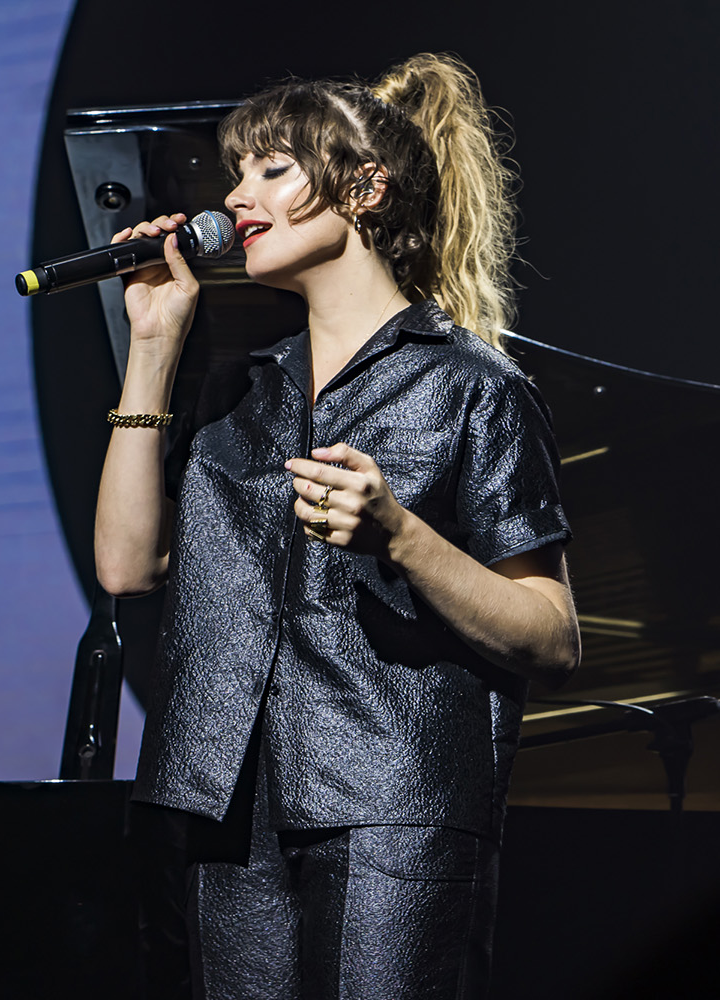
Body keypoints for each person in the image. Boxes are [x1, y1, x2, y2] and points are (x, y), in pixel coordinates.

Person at [93, 55, 579, 999]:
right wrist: (153, 346)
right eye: (236, 174)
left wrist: (402, 535)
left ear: (364, 189)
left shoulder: (472, 387)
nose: (237, 197)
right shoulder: (240, 393)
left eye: (271, 169)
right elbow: (125, 566)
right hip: (222, 800)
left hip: (394, 803)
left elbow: (552, 634)